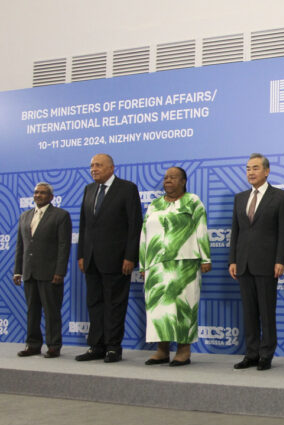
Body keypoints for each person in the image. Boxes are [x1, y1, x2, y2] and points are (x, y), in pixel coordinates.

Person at [140, 167, 211, 366]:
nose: (168, 180)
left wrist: (205, 258)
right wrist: (143, 264)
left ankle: (184, 350)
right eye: (165, 178)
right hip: (156, 265)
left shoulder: (193, 201)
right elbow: (144, 235)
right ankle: (162, 350)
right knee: (159, 309)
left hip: (185, 264)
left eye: (173, 177)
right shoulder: (155, 205)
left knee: (183, 307)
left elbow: (201, 228)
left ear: (183, 181)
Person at [76, 154, 142, 363]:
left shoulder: (127, 189)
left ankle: (113, 347)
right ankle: (96, 346)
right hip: (92, 259)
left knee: (115, 304)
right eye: (91, 166)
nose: (93, 169)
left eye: (98, 165)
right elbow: (84, 225)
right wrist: (81, 254)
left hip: (117, 259)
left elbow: (135, 225)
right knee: (94, 303)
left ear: (111, 168)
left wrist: (130, 257)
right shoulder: (89, 190)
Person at [229, 154, 284, 371]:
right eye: (247, 169)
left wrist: (280, 260)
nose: (250, 172)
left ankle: (266, 354)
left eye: (255, 168)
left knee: (266, 311)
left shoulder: (280, 197)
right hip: (243, 263)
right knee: (249, 312)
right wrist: (233, 260)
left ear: (266, 171)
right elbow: (236, 231)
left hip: (267, 263)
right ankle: (251, 353)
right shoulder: (240, 197)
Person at [13, 182, 72, 358]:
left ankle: (54, 345)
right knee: (32, 310)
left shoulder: (61, 216)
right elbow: (20, 246)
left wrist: (60, 271)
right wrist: (18, 271)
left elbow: (64, 246)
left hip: (50, 273)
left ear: (51, 197)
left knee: (51, 311)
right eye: (36, 192)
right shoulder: (25, 216)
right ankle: (33, 345)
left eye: (43, 193)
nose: (38, 195)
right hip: (29, 272)